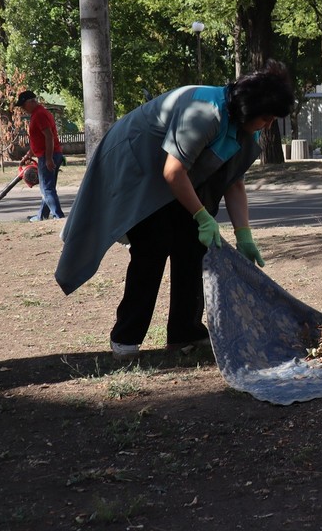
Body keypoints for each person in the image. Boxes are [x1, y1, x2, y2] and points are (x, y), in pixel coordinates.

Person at [54, 64, 295, 358]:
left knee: (195, 246)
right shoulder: (204, 113)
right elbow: (172, 172)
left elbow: (234, 184)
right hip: (138, 165)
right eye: (267, 118)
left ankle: (185, 332)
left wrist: (244, 235)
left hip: (178, 172)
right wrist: (202, 216)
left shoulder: (246, 128)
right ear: (249, 107)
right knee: (153, 246)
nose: (268, 125)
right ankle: (125, 338)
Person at [15, 90, 65, 221]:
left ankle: (58, 217)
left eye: (23, 105)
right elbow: (38, 139)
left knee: (46, 189)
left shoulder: (40, 115)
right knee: (48, 188)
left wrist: (48, 158)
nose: (22, 109)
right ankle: (41, 216)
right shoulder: (39, 113)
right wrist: (28, 155)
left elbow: (49, 137)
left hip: (48, 155)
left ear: (31, 102)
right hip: (49, 154)